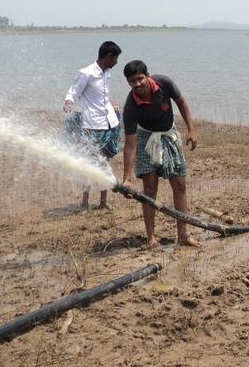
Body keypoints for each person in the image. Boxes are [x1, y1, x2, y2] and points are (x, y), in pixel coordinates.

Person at [120, 60, 199, 248]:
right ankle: (151, 238)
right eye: (133, 81)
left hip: (168, 134)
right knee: (149, 190)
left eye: (140, 78)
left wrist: (191, 129)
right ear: (128, 83)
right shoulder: (130, 106)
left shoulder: (164, 83)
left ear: (148, 75)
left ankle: (183, 235)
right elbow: (130, 145)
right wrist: (127, 178)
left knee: (179, 185)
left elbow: (182, 102)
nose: (138, 84)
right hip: (146, 138)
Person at [63, 41, 122, 210]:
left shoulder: (107, 72)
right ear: (108, 57)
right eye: (115, 58)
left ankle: (103, 202)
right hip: (92, 125)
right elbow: (73, 92)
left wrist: (111, 102)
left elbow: (102, 95)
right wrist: (68, 102)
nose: (116, 62)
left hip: (108, 123)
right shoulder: (86, 73)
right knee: (89, 165)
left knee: (105, 162)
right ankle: (84, 202)